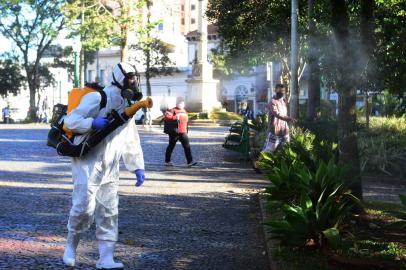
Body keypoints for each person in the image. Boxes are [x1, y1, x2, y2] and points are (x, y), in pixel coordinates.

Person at [62, 62, 145, 269]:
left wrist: (137, 166)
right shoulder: (98, 98)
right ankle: (71, 247)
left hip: (110, 166)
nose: (133, 82)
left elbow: (130, 138)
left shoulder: (127, 106)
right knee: (83, 207)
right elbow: (69, 121)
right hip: (87, 162)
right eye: (130, 77)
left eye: (135, 78)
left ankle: (106, 258)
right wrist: (91, 124)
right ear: (120, 77)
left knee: (109, 211)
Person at [164, 96, 197, 167]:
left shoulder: (184, 111)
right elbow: (166, 116)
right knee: (171, 146)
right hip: (174, 132)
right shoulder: (172, 110)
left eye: (182, 103)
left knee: (187, 146)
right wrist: (175, 117)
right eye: (179, 103)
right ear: (177, 103)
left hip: (183, 132)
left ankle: (190, 161)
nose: (181, 104)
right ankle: (167, 161)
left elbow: (186, 121)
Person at [263, 84, 296, 153]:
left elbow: (284, 114)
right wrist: (289, 119)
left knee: (286, 152)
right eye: (280, 90)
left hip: (285, 131)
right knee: (268, 153)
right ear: (275, 90)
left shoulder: (284, 102)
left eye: (283, 91)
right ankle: (260, 163)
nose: (281, 92)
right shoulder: (272, 102)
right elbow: (277, 114)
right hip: (275, 132)